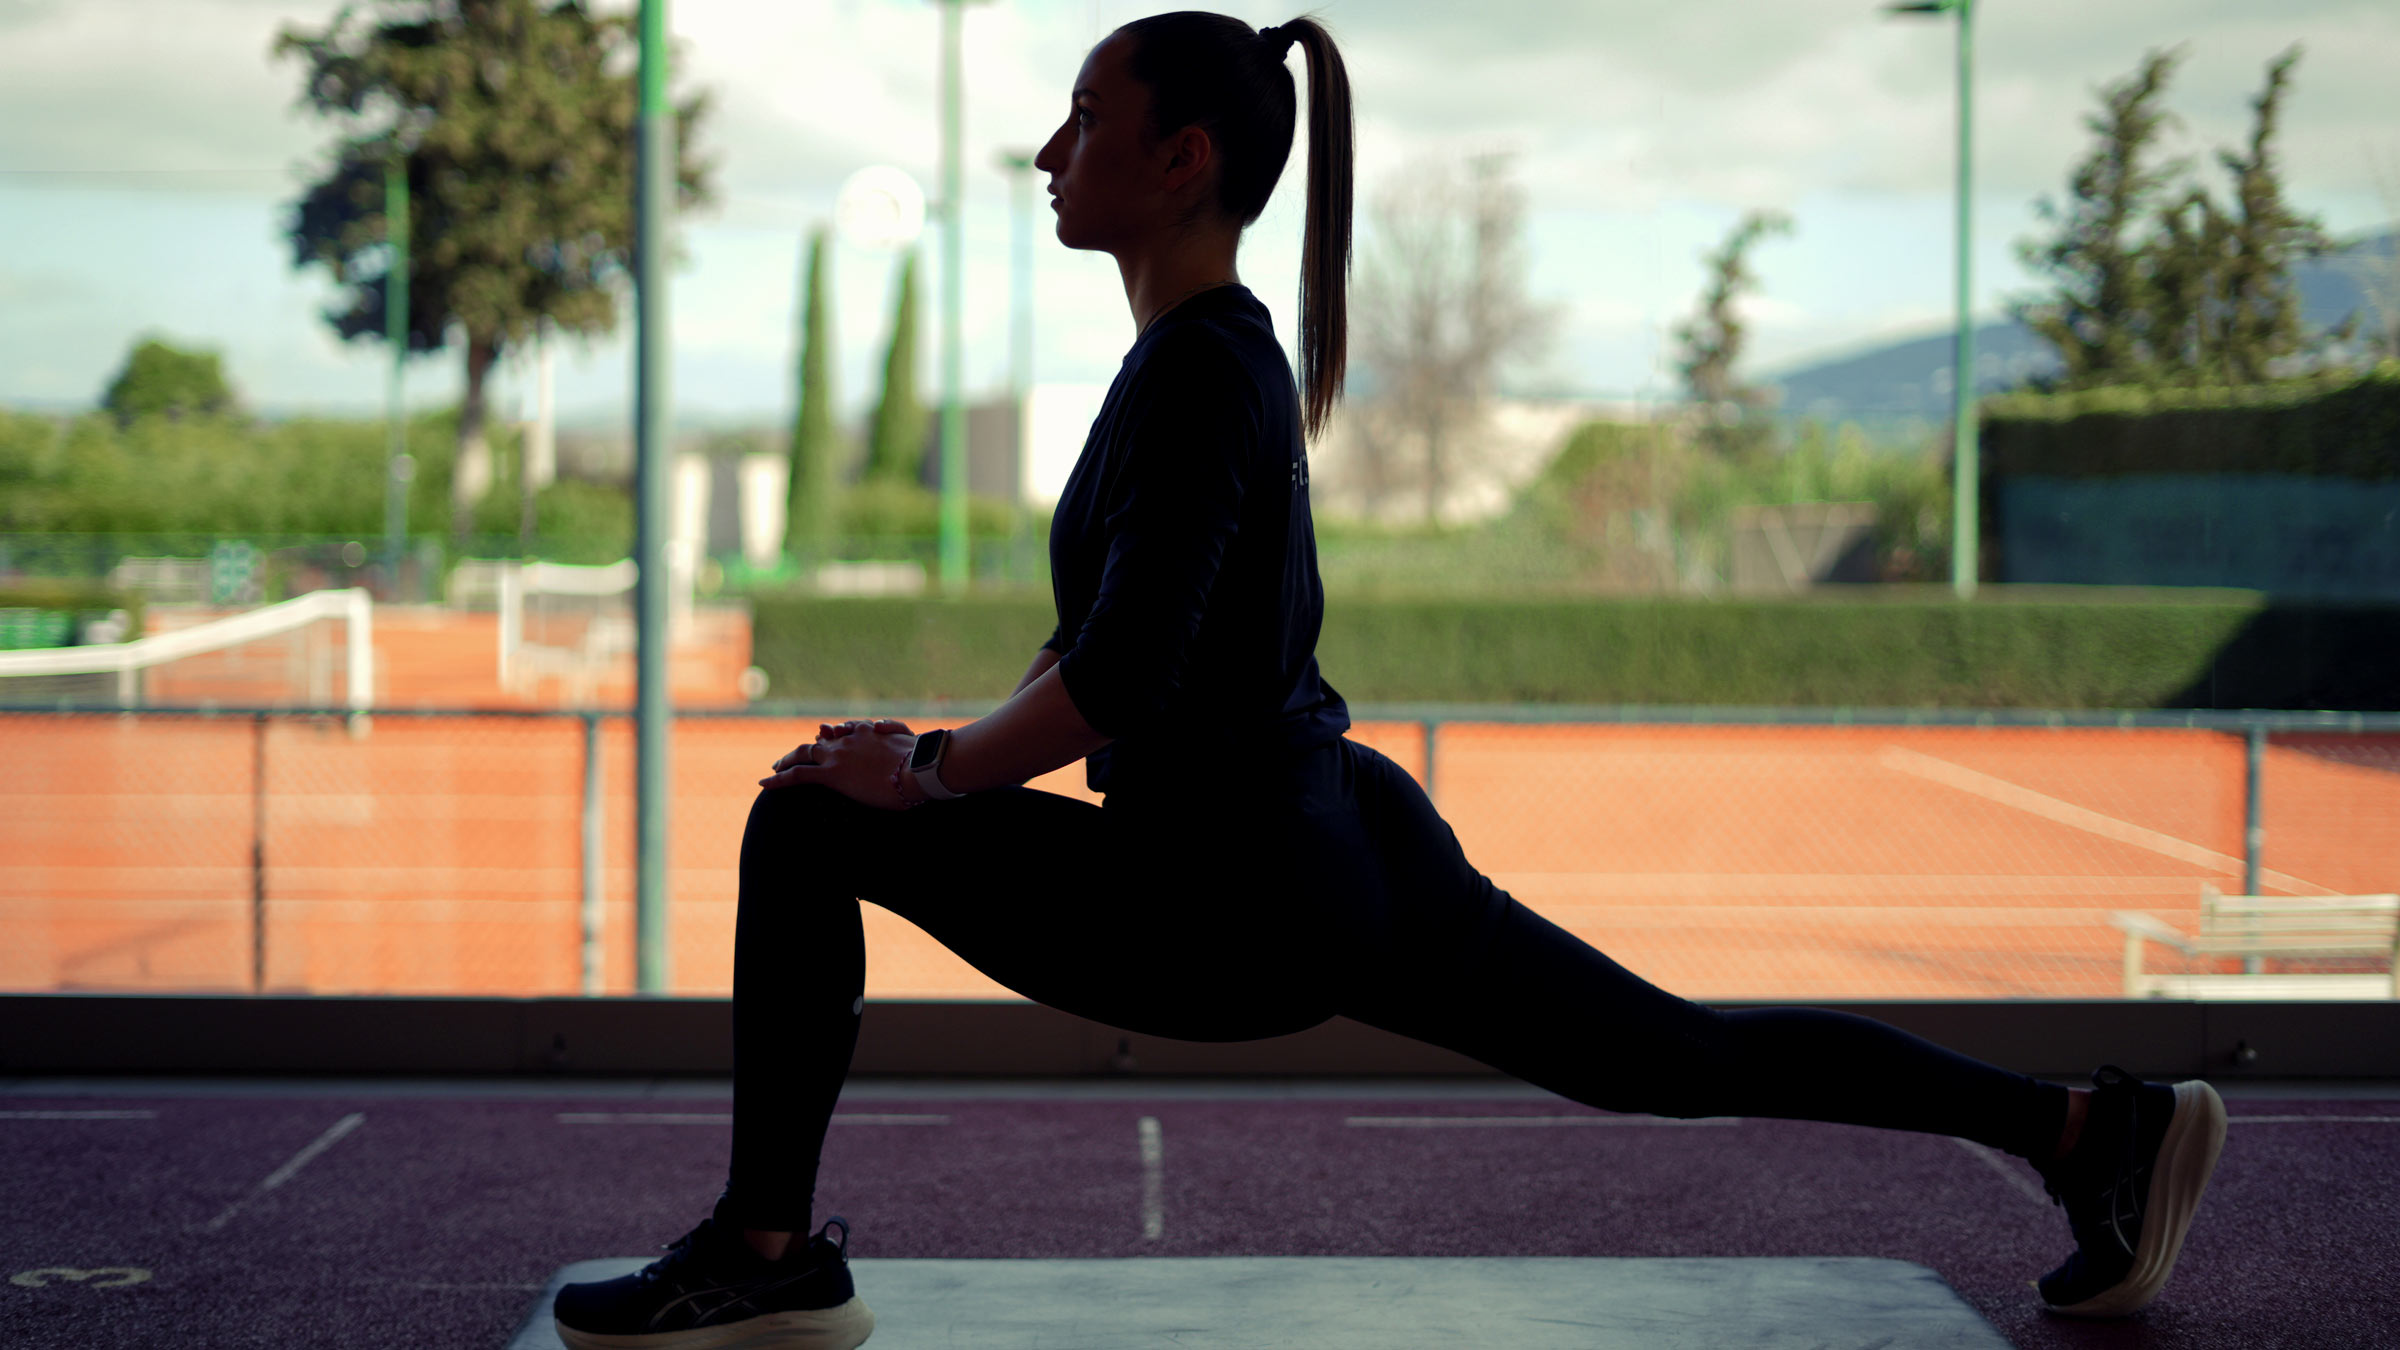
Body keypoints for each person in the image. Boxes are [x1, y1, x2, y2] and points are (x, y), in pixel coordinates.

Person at [552, 13, 2227, 1348]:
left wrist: (922, 776)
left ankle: (763, 1257)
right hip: (1334, 832)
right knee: (1668, 1053)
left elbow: (1121, 675)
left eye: (1084, 119)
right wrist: (924, 747)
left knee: (806, 826)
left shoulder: (1198, 370)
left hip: (1237, 889)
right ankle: (2091, 1131)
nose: (1050, 153)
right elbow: (1107, 641)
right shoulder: (1199, 360)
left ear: (1183, 158)